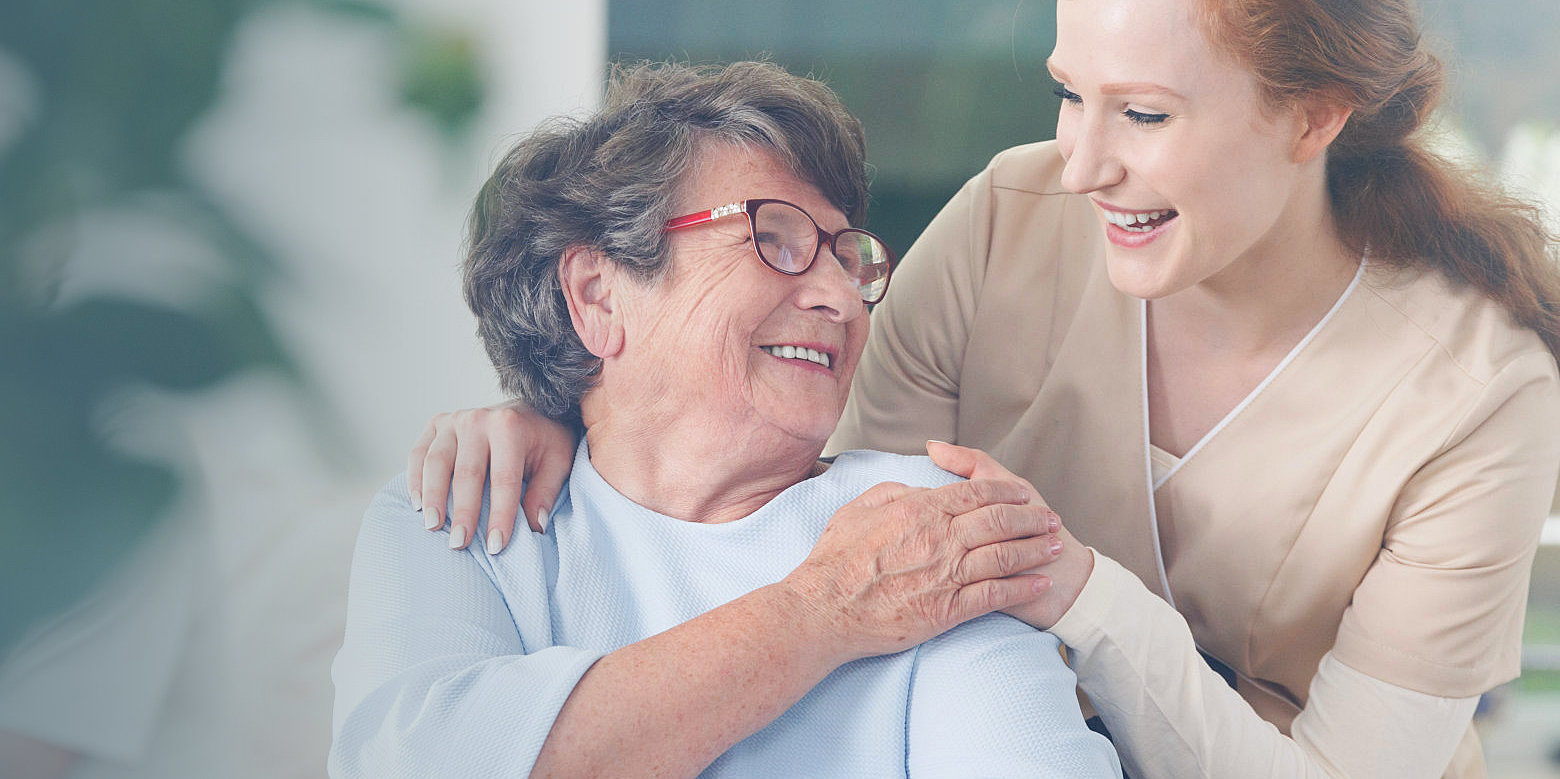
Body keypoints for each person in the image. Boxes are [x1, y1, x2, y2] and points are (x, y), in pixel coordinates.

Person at [403, 0, 1560, 776]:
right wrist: (568, 401)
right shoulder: (1015, 218)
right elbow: (811, 513)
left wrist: (1079, 593)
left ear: (1313, 117)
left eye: (1144, 114)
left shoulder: (1479, 395)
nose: (1083, 161)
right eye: (1071, 92)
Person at [331, 61, 1122, 777]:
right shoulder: (462, 507)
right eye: (775, 239)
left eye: (848, 258)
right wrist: (826, 606)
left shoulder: (925, 529)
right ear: (599, 296)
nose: (842, 298)